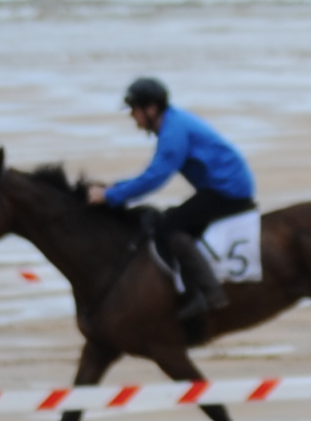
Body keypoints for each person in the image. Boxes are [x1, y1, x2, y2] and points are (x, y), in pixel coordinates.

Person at [104, 77, 257, 320]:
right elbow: (152, 173)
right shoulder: (172, 122)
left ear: (151, 108)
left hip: (228, 191)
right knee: (173, 219)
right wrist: (115, 188)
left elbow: (155, 178)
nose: (132, 116)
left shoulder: (173, 132)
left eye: (134, 109)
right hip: (222, 187)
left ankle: (208, 293)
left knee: (167, 227)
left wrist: (110, 196)